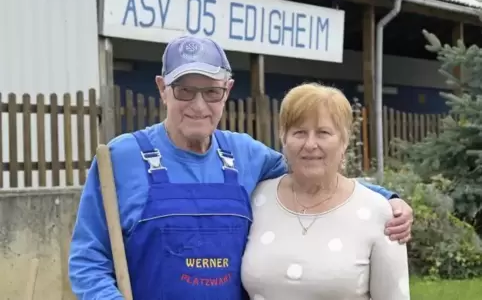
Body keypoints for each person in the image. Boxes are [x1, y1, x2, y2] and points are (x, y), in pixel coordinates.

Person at [68, 35, 413, 300]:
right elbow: (88, 259)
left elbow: (313, 170)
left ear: (228, 90)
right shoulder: (120, 158)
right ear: (162, 89)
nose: (199, 106)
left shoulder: (244, 155)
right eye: (185, 91)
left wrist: (387, 199)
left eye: (212, 92)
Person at [241, 83, 410, 300]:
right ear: (283, 138)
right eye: (299, 132)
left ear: (344, 140)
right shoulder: (257, 199)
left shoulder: (379, 213)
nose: (310, 144)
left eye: (323, 133)